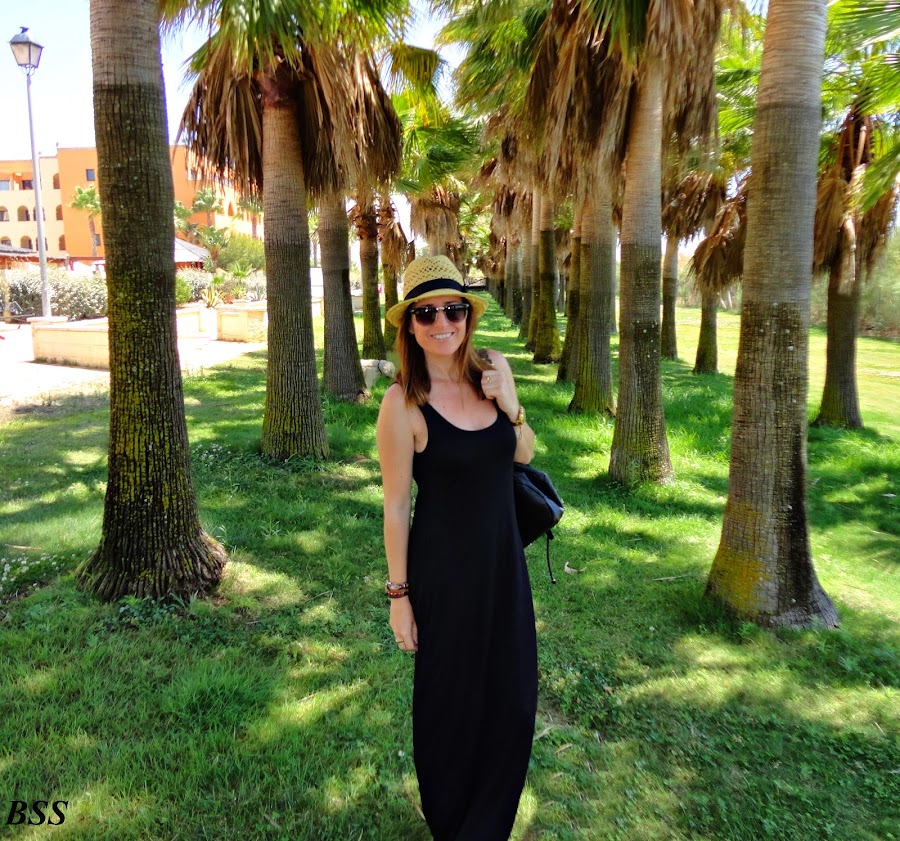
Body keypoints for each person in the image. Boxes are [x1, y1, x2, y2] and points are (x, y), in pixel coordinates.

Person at [376, 255, 538, 841]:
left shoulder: (493, 369)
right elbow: (397, 506)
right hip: (443, 577)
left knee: (513, 701)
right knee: (451, 705)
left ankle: (488, 824)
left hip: (503, 568)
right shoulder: (403, 403)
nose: (442, 323)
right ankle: (452, 823)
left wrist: (511, 404)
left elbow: (524, 453)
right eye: (426, 314)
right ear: (410, 326)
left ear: (468, 316)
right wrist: (399, 597)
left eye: (453, 310)